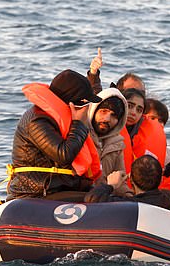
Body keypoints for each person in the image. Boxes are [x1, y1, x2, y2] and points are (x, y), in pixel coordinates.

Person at [7, 69, 103, 201]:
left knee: (107, 195)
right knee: (101, 199)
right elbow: (64, 155)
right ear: (72, 102)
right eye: (84, 103)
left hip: (59, 188)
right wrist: (79, 123)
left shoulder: (56, 118)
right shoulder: (38, 120)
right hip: (36, 192)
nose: (86, 108)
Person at [85, 155, 170, 208]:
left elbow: (92, 199)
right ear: (161, 180)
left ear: (130, 179)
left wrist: (111, 185)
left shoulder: (126, 206)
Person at [121, 88, 167, 172]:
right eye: (130, 106)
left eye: (139, 110)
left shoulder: (147, 133)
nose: (133, 112)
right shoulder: (105, 126)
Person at [87, 87, 128, 179]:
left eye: (113, 115)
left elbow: (120, 181)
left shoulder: (117, 145)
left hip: (106, 192)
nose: (107, 119)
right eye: (103, 111)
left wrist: (128, 194)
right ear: (94, 110)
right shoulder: (80, 134)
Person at [145, 98, 170, 164]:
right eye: (152, 118)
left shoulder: (167, 152)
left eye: (160, 120)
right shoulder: (131, 138)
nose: (157, 123)